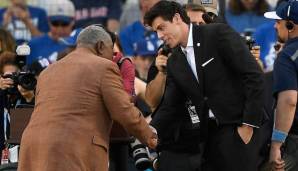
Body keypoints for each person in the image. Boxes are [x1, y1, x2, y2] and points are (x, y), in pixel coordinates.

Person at [17, 25, 157, 171]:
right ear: (100, 46)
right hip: (70, 149)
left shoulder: (48, 71)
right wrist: (151, 137)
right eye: (111, 51)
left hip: (32, 149)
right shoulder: (104, 66)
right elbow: (123, 110)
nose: (113, 57)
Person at [144, 1, 265, 171]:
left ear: (177, 18)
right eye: (156, 30)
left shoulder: (217, 33)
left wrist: (248, 125)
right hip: (207, 137)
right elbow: (170, 105)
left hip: (237, 128)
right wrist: (148, 130)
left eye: (161, 27)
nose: (159, 35)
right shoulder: (175, 60)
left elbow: (253, 75)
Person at [263, 0, 298, 170]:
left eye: (278, 22)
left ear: (291, 25)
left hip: (293, 142)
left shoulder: (287, 57)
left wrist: (276, 145)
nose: (275, 27)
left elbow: (289, 101)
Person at [26, 0, 75, 65]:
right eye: (55, 24)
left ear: (73, 22)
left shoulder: (79, 45)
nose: (59, 29)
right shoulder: (33, 45)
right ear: (48, 22)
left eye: (64, 24)